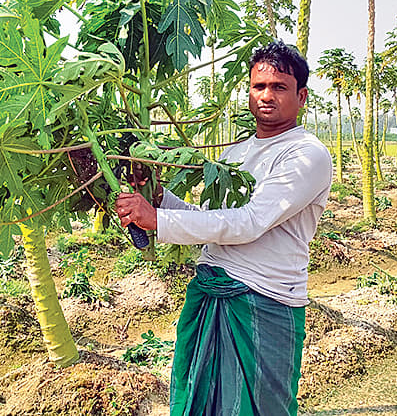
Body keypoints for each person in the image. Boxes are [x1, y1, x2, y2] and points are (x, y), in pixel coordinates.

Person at [115, 41, 333, 416]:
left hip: (265, 298)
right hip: (212, 287)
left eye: (279, 87)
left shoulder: (306, 154)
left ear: (301, 96)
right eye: (258, 86)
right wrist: (158, 197)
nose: (266, 96)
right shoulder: (236, 152)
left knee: (264, 407)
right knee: (203, 401)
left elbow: (248, 222)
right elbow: (212, 217)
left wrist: (158, 221)